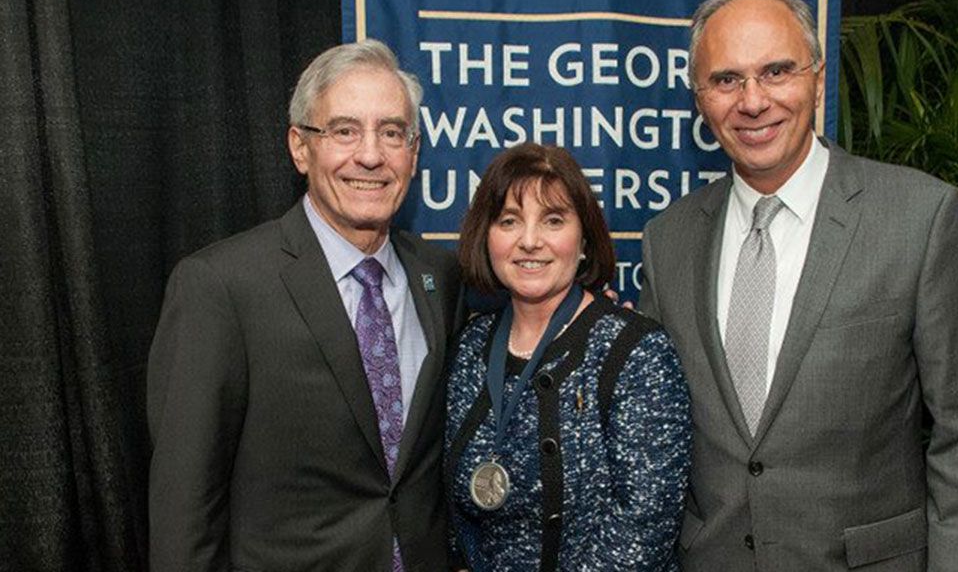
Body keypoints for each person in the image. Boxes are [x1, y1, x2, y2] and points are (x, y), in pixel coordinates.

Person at [638, 0, 958, 571]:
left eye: (777, 71)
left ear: (816, 77)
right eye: (726, 80)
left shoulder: (919, 217)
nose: (752, 101)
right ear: (699, 98)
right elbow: (654, 429)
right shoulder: (668, 240)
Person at [148, 39, 465, 571]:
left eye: (392, 132)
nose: (371, 155)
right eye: (344, 130)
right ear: (300, 147)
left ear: (413, 152)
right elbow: (185, 508)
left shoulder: (440, 276)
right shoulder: (221, 286)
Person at [446, 143, 691, 571]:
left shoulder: (637, 350)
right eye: (509, 220)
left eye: (553, 220)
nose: (529, 241)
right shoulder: (470, 344)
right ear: (487, 236)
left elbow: (642, 531)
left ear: (583, 239)